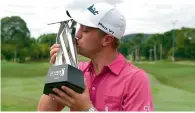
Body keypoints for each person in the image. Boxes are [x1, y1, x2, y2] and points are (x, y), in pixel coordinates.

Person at [37, 2, 153, 111]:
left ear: (107, 39)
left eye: (85, 30)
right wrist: (60, 66)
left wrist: (87, 109)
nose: (77, 35)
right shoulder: (77, 70)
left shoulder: (135, 79)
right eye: (79, 27)